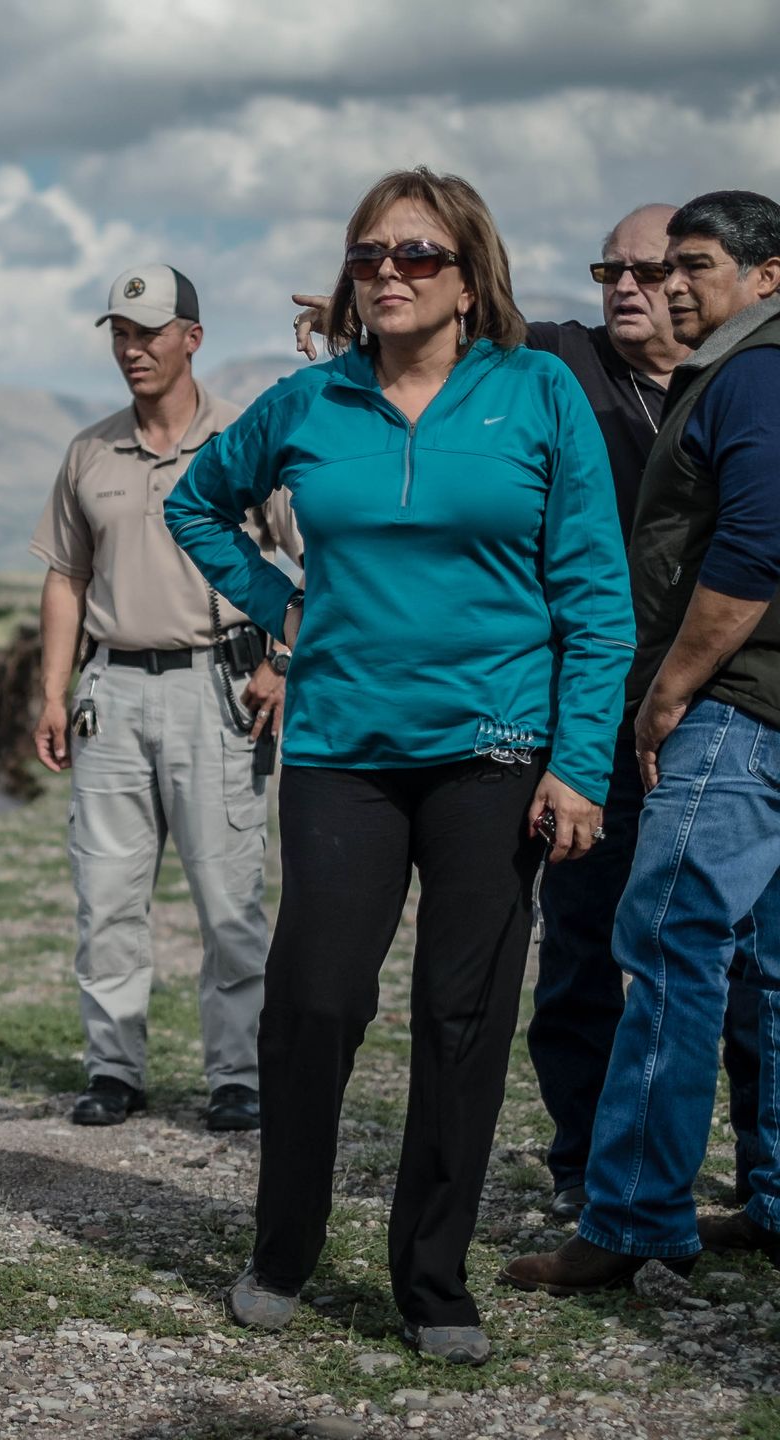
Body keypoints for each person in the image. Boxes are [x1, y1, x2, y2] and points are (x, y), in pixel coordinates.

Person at [165, 167, 632, 1363]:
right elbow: (200, 506)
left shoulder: (537, 394)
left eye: (416, 255)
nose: (387, 272)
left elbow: (595, 592)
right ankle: (283, 1248)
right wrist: (285, 609)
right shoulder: (309, 401)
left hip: (496, 753)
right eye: (371, 254)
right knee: (315, 1001)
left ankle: (432, 1280)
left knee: (462, 1015)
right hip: (343, 749)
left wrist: (578, 765)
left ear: (470, 279)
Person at [296, 206, 764, 1222]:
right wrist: (350, 323)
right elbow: (444, 345)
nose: (635, 287)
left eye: (663, 268)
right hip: (586, 714)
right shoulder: (563, 364)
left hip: (715, 705)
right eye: (613, 270)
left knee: (741, 957)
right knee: (586, 945)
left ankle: (753, 1181)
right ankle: (584, 1163)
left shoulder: (736, 383)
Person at [504, 190, 780, 1294]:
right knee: (765, 968)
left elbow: (755, 549)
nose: (669, 285)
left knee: (665, 951)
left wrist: (666, 692)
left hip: (729, 711)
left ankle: (631, 1217)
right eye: (659, 269)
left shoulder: (751, 374)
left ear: (767, 274)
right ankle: (769, 1201)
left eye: (694, 266)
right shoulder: (720, 365)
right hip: (763, 710)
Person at [30, 263, 302, 1134]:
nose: (131, 348)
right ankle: (113, 1070)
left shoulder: (245, 440)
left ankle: (237, 1077)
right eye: (119, 331)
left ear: (192, 336)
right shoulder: (90, 450)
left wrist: (285, 657)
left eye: (148, 331)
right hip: (110, 692)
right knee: (106, 895)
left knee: (228, 902)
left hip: (217, 690)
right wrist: (52, 692)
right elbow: (66, 581)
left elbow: (322, 553)